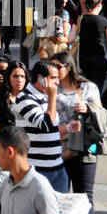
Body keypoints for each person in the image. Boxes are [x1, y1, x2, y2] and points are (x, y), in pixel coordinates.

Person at [52, 52, 101, 214]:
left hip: (83, 147)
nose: (54, 71)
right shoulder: (51, 87)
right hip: (58, 145)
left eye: (57, 66)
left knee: (84, 193)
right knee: (60, 194)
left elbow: (101, 113)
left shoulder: (88, 87)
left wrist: (88, 108)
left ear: (69, 66)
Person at [13, 61, 68, 194]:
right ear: (40, 78)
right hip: (37, 169)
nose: (57, 83)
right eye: (53, 78)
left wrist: (68, 128)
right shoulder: (24, 99)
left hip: (58, 167)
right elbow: (46, 125)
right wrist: (53, 97)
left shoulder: (46, 98)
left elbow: (53, 128)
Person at [76, 0, 107, 90]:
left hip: (83, 59)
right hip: (99, 59)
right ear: (99, 4)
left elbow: (71, 37)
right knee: (97, 88)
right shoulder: (105, 22)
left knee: (86, 86)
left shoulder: (80, 19)